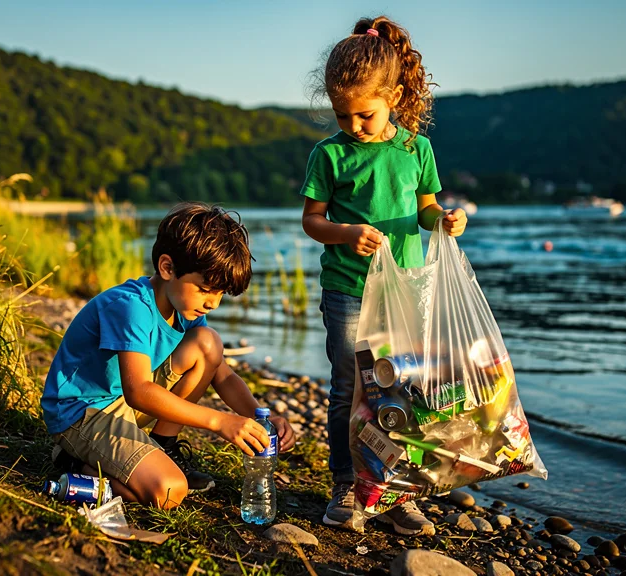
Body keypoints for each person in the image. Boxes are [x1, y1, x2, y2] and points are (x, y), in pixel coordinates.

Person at [300, 16, 468, 535]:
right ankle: (345, 486)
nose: (352, 125)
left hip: (405, 293)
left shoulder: (416, 149)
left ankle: (393, 492)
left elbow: (426, 209)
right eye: (342, 115)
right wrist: (347, 233)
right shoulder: (329, 154)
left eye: (364, 115)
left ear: (394, 95)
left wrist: (445, 220)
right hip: (347, 290)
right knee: (350, 387)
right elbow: (312, 221)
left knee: (399, 391)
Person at [42, 202, 296, 509]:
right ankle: (77, 466)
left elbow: (223, 374)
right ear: (167, 267)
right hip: (83, 414)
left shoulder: (185, 310)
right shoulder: (132, 306)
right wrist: (220, 422)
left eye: (220, 294)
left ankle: (164, 447)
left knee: (207, 343)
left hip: (121, 403)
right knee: (171, 491)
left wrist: (260, 418)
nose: (213, 303)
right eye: (205, 289)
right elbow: (139, 392)